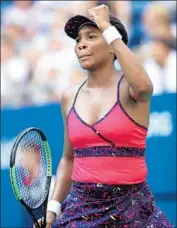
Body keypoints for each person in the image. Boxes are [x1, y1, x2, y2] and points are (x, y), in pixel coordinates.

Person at [39, 4, 173, 228]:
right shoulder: (69, 97)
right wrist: (53, 209)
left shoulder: (131, 87)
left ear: (113, 46)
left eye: (92, 36)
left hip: (134, 210)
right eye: (78, 40)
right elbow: (69, 158)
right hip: (80, 209)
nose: (81, 44)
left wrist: (106, 26)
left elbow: (144, 87)